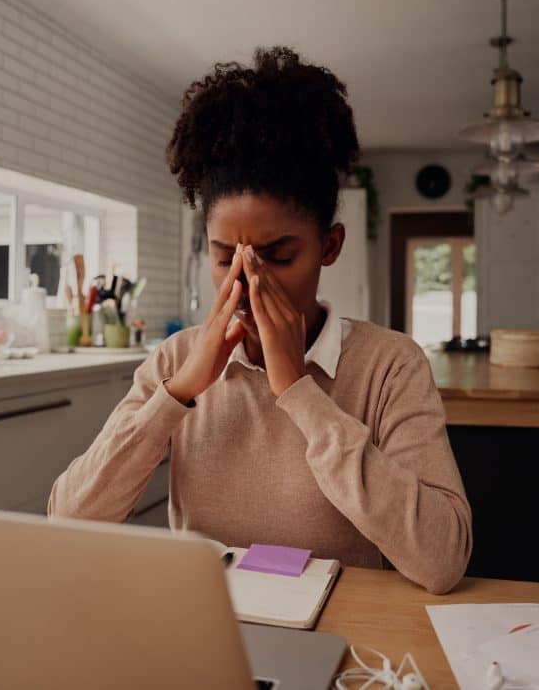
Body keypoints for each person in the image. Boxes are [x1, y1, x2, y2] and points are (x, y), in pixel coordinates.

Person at [49, 46, 471, 593]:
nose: (247, 283)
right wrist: (176, 395)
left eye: (278, 256)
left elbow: (442, 561)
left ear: (330, 246)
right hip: (209, 633)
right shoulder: (176, 362)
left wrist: (299, 390)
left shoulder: (390, 366)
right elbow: (68, 524)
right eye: (227, 258)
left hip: (349, 634)